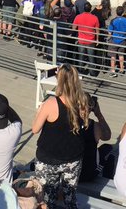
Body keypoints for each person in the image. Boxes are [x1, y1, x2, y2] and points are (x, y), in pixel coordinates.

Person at [31, 65, 90, 209]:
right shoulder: (83, 102)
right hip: (73, 159)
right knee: (70, 197)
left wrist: (39, 112)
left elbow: (35, 129)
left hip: (48, 159)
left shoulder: (51, 103)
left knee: (46, 199)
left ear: (59, 80)